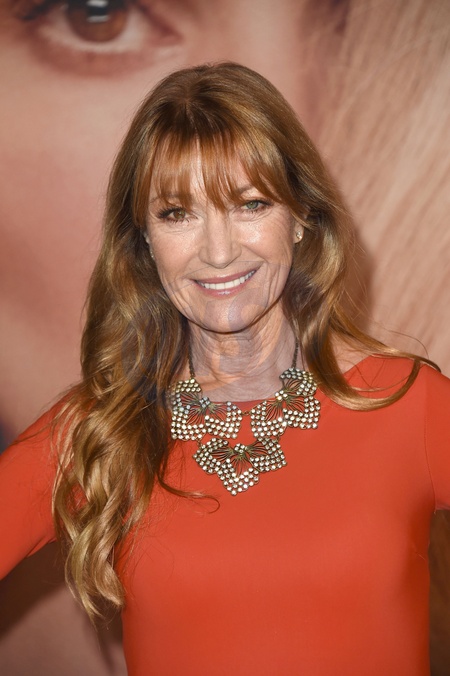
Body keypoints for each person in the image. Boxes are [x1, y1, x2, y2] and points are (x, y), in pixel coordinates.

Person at [1, 62, 449, 674]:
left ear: (300, 217)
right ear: (143, 239)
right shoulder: (102, 428)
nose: (218, 252)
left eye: (250, 204)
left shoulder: (409, 404)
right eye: (177, 213)